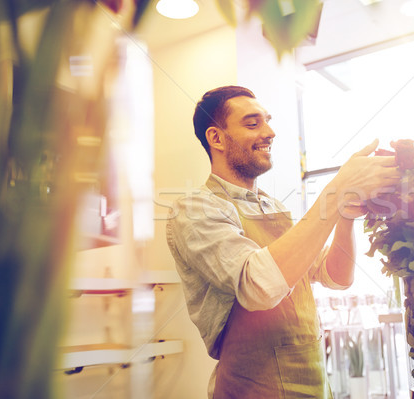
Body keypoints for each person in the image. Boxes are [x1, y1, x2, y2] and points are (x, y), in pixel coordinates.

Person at [166, 86, 400, 398]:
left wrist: (344, 213)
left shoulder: (273, 207)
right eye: (252, 124)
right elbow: (258, 286)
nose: (269, 132)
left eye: (267, 121)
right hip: (253, 389)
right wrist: (337, 190)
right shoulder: (196, 209)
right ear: (217, 138)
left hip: (314, 383)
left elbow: (337, 277)